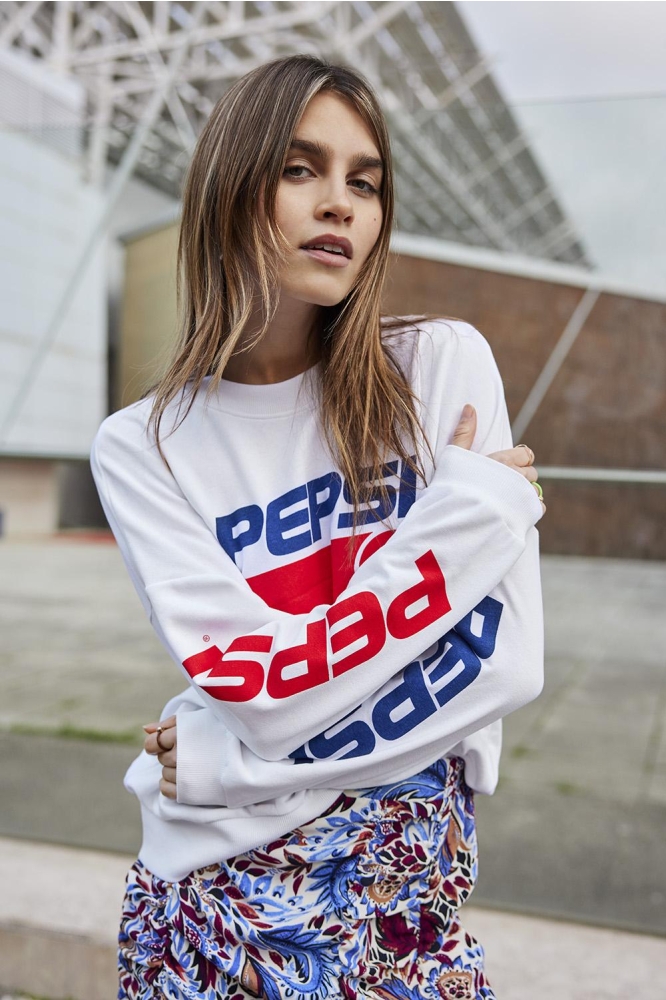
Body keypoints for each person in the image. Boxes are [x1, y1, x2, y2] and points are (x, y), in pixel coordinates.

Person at [91, 54, 546, 1000]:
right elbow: (259, 690)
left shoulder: (437, 368)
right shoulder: (143, 445)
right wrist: (461, 526)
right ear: (231, 188)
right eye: (300, 169)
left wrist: (223, 755)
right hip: (207, 910)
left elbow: (499, 666)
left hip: (396, 899)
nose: (339, 202)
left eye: (364, 182)